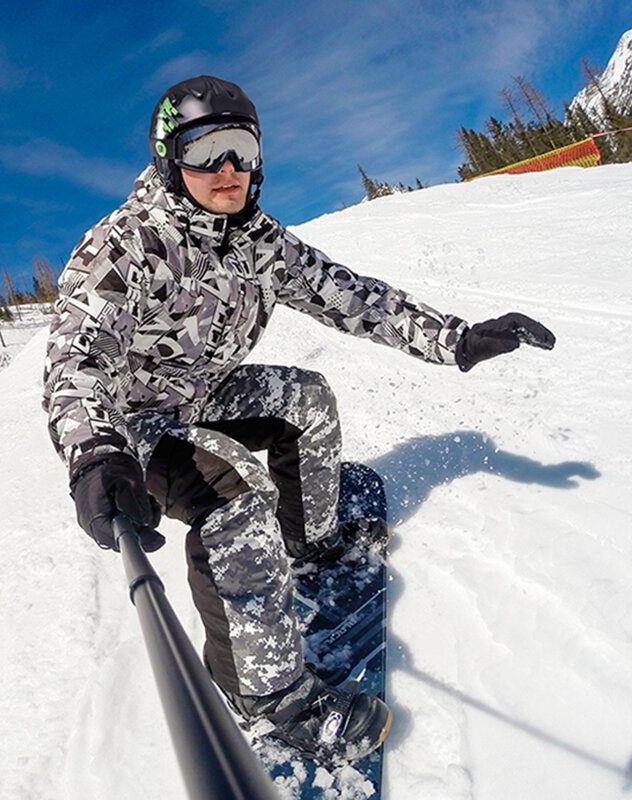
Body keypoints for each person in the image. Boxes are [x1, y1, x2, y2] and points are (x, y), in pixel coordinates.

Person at [43, 75, 555, 760]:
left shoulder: (260, 242)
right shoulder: (126, 246)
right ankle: (269, 699)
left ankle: (306, 542)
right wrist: (96, 453)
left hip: (199, 392)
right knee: (233, 494)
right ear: (172, 159)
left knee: (305, 399)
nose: (227, 169)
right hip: (131, 424)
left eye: (240, 149)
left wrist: (456, 338)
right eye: (205, 150)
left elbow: (355, 299)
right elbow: (77, 359)